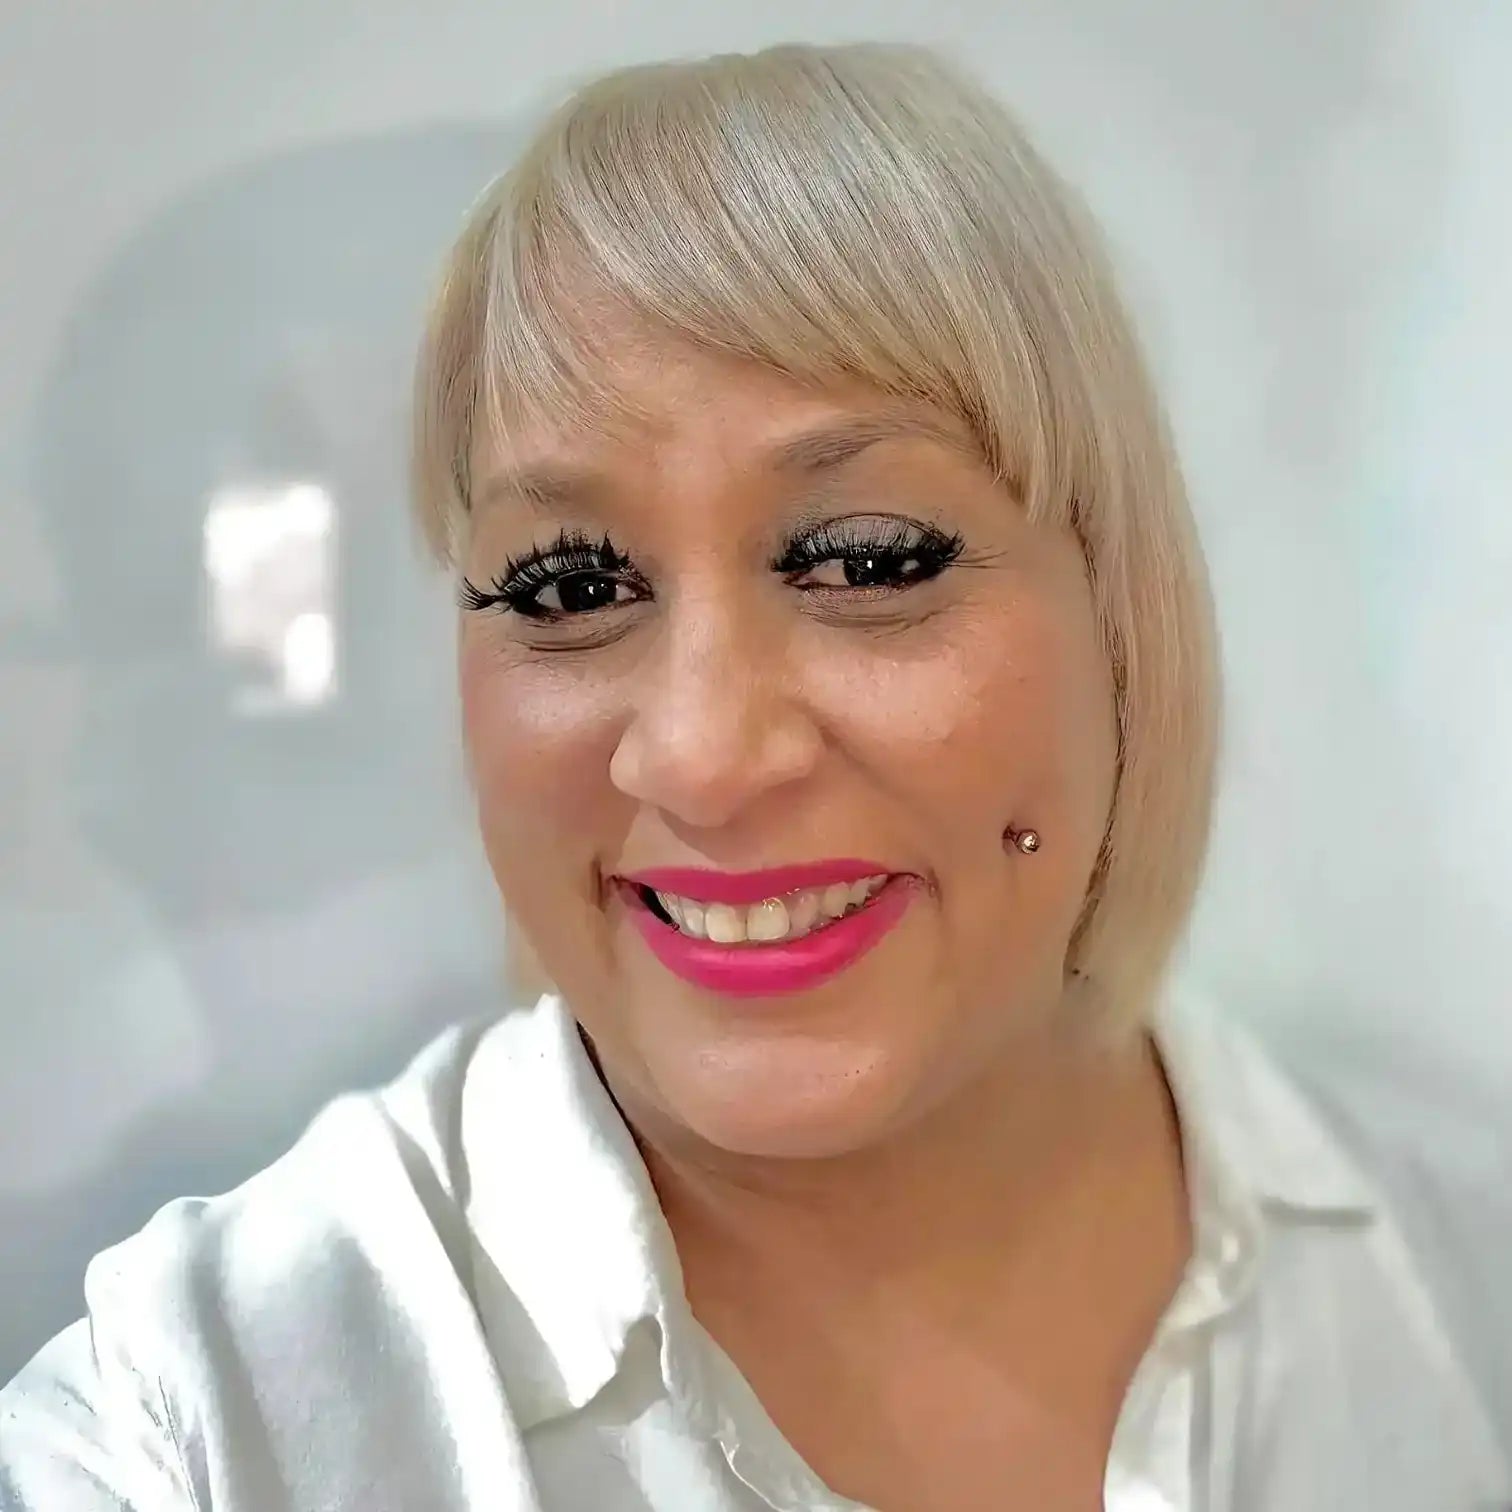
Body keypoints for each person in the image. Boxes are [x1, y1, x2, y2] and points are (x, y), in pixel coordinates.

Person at [1, 40, 1504, 1512]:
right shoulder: (188, 1433)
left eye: (865, 560)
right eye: (570, 586)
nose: (706, 756)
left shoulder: (1461, 1303)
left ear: (1120, 615)